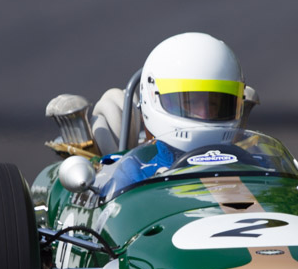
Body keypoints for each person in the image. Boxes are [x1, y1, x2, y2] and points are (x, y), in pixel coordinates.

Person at [100, 32, 247, 195]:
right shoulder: (134, 172)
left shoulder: (253, 164)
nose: (204, 113)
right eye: (190, 103)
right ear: (152, 97)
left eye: (214, 104)